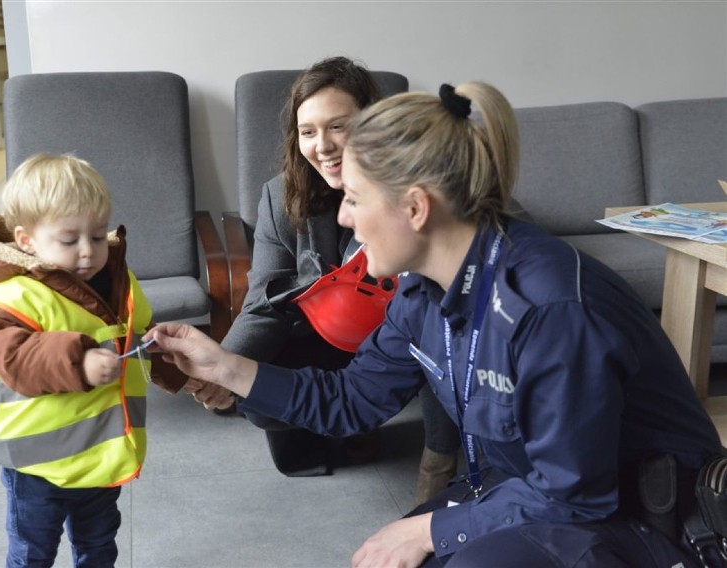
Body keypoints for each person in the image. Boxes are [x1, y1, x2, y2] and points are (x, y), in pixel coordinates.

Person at [146, 83, 725, 567]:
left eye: (352, 198)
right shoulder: (419, 292)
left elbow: (575, 495)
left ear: (416, 208)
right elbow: (352, 399)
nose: (343, 216)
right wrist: (226, 366)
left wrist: (429, 532)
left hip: (642, 517)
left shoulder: (549, 310)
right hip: (524, 488)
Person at [194, 55, 461, 487]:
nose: (322, 145)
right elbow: (264, 302)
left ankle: (438, 457)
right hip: (322, 333)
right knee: (259, 397)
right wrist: (226, 366)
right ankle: (335, 429)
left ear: (373, 123)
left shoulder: (415, 191)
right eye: (308, 131)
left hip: (398, 338)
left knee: (430, 324)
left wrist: (438, 463)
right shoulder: (279, 197)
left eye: (338, 126)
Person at [0, 153, 177, 567]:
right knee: (33, 551)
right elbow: (13, 356)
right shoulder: (5, 299)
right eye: (69, 240)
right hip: (35, 467)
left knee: (99, 544)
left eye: (97, 234)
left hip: (100, 457)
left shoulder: (118, 283)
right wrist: (79, 360)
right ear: (27, 240)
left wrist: (172, 364)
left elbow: (137, 335)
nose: (88, 251)